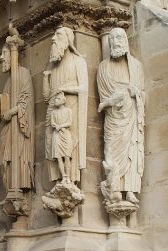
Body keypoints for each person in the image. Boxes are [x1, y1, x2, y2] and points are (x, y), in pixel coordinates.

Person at [97, 27, 145, 204]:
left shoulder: (136, 66)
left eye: (120, 37)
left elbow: (142, 93)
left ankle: (130, 190)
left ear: (125, 40)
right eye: (113, 38)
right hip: (114, 118)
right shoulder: (103, 67)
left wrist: (135, 93)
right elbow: (103, 95)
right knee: (111, 153)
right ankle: (113, 189)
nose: (117, 41)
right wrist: (121, 96)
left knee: (132, 150)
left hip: (131, 116)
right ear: (109, 43)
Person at [43, 27, 88, 183]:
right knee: (51, 147)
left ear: (68, 40)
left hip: (70, 108)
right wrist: (45, 78)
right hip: (53, 111)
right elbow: (46, 97)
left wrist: (65, 89)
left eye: (58, 35)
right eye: (54, 34)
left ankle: (70, 179)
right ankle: (57, 179)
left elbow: (84, 88)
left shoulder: (78, 61)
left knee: (69, 147)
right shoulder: (53, 67)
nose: (53, 38)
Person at [0, 44, 35, 193]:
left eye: (4, 53)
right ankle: (10, 190)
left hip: (18, 127)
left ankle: (18, 190)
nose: (1, 57)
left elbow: (27, 99)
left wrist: (12, 111)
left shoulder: (23, 73)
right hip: (7, 127)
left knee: (15, 159)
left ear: (13, 55)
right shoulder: (8, 81)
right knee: (3, 162)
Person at [51, 91, 73, 182]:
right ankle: (63, 176)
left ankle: (68, 177)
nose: (56, 100)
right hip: (57, 135)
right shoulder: (53, 112)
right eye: (56, 98)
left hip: (65, 134)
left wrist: (61, 126)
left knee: (67, 156)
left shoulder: (68, 111)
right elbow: (52, 123)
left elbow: (69, 123)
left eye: (58, 99)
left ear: (63, 101)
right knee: (59, 157)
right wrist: (56, 126)